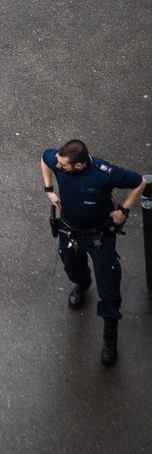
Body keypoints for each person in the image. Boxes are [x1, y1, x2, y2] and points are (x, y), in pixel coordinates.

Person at [41, 139, 144, 365]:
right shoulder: (57, 160)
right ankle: (83, 283)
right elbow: (44, 158)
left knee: (108, 285)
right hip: (70, 232)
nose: (58, 166)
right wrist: (49, 190)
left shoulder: (105, 173)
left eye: (63, 166)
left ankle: (110, 330)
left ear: (78, 166)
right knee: (71, 265)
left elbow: (139, 182)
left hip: (99, 237)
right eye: (57, 162)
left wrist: (124, 211)